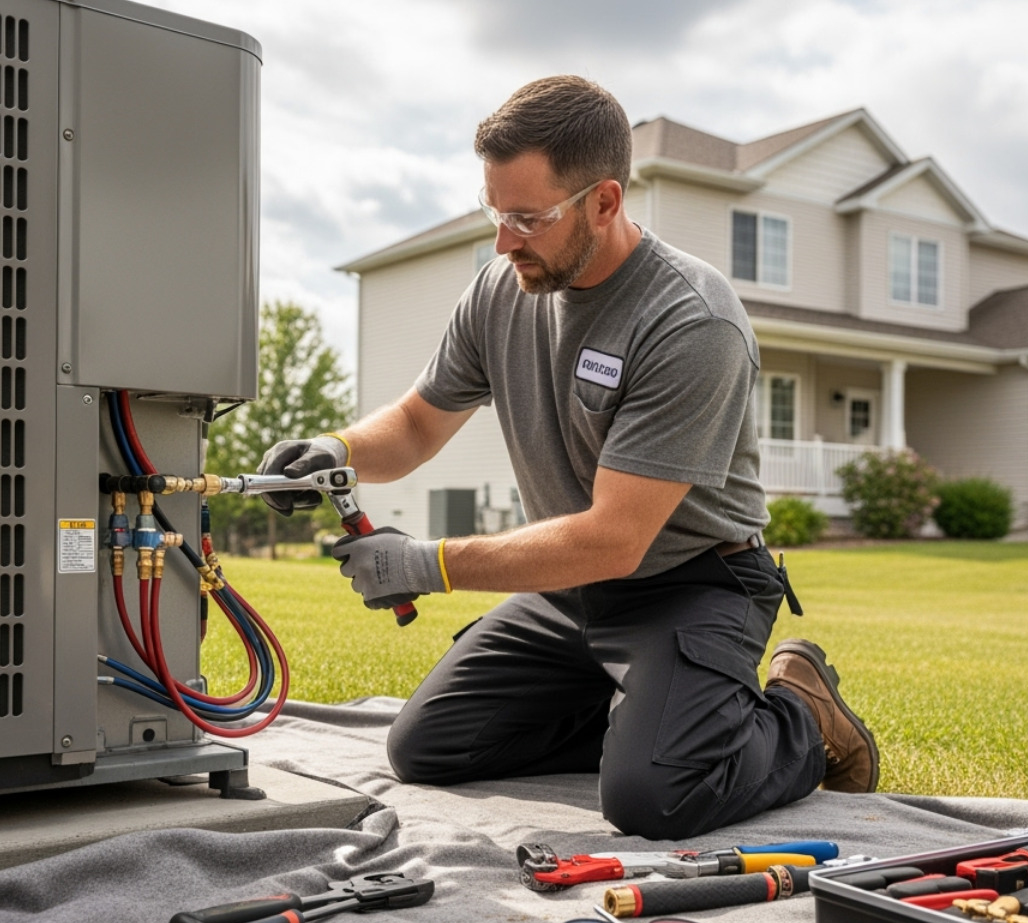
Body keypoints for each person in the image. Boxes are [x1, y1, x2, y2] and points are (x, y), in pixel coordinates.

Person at [259, 76, 878, 840]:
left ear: (605, 202)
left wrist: (430, 564)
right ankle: (649, 724)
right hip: (569, 590)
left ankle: (800, 717)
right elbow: (419, 424)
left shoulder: (690, 321)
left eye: (527, 217)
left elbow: (616, 540)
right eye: (495, 212)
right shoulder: (500, 289)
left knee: (655, 799)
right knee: (429, 748)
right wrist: (338, 450)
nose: (503, 240)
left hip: (689, 583)